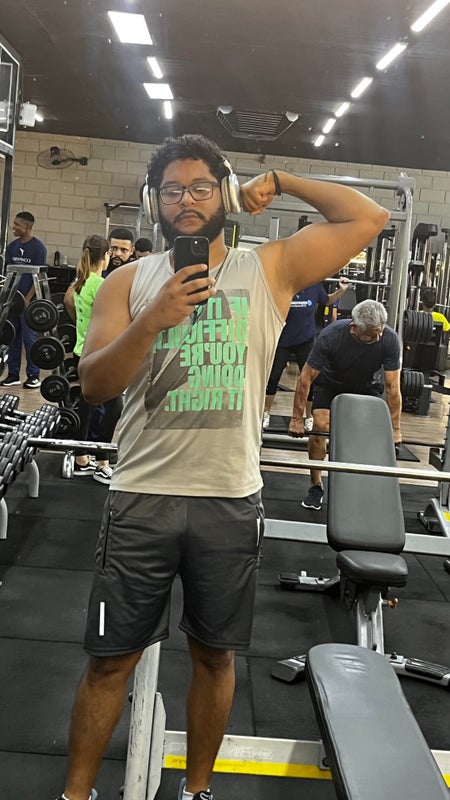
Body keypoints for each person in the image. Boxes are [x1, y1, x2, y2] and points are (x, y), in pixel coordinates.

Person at [54, 134, 389, 800]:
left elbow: (368, 218)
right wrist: (152, 320)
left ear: (225, 195)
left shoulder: (269, 268)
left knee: (215, 657)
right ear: (155, 201)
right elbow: (93, 386)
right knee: (108, 662)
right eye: (173, 190)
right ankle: (75, 794)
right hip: (141, 497)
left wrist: (282, 180)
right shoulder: (127, 281)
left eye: (202, 187)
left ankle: (197, 789)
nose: (187, 200)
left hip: (229, 500)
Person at [289, 299, 402, 511]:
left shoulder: (389, 339)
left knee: (367, 436)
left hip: (367, 387)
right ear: (354, 328)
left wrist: (395, 429)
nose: (378, 337)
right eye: (372, 335)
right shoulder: (332, 335)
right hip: (331, 384)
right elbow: (305, 378)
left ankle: (358, 485)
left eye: (380, 332)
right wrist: (296, 418)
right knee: (320, 426)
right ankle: (316, 485)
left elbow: (392, 386)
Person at [64, 235, 123, 484]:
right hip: (100, 354)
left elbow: (71, 306)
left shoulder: (81, 281)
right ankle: (102, 462)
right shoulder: (100, 284)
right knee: (114, 407)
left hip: (82, 351)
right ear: (106, 256)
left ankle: (81, 458)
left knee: (87, 406)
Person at [262, 277, 349, 430]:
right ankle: (266, 413)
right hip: (283, 340)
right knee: (273, 377)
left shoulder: (314, 286)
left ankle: (309, 417)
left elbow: (327, 301)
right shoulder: (286, 285)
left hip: (306, 340)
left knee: (310, 380)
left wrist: (341, 291)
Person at [0, 211, 47, 388]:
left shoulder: (38, 248)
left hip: (29, 302)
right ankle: (13, 375)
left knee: (29, 338)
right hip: (12, 301)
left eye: (17, 224)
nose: (14, 227)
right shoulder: (12, 247)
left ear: (27, 227)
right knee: (12, 337)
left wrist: (27, 299)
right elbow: (8, 275)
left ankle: (34, 376)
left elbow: (39, 277)